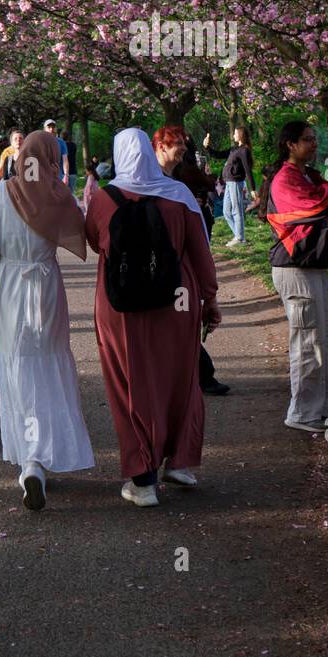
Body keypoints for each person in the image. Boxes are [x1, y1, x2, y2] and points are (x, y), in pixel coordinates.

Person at [86, 127, 221, 507]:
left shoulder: (105, 197)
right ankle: (179, 461)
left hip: (120, 304)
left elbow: (94, 240)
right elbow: (200, 252)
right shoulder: (177, 195)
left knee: (129, 383)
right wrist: (209, 300)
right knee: (180, 377)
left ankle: (142, 480)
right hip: (177, 299)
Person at [0, 131, 94, 511]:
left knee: (17, 367)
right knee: (48, 364)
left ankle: (29, 462)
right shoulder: (57, 195)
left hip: (8, 287)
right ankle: (43, 457)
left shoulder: (3, 193)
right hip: (46, 287)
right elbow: (82, 231)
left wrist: (2, 260)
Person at [261, 120, 328, 432]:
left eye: (313, 138)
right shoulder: (284, 180)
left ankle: (318, 411)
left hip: (313, 266)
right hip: (295, 267)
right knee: (308, 341)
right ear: (290, 145)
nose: (313, 144)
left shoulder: (306, 175)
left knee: (325, 339)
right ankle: (301, 413)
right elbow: (317, 206)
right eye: (306, 140)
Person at [152, 127, 230, 397]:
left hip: (182, 261)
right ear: (161, 146)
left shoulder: (179, 174)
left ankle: (198, 374)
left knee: (181, 321)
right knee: (174, 323)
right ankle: (195, 375)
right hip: (163, 265)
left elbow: (208, 186)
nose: (184, 149)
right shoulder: (154, 179)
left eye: (185, 145)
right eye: (178, 145)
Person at [204, 125, 257, 247]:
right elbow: (217, 155)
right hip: (228, 183)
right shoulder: (234, 149)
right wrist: (207, 147)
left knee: (236, 210)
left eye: (235, 133)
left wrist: (253, 188)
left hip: (236, 183)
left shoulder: (244, 150)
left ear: (240, 135)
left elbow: (248, 170)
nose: (233, 135)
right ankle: (239, 237)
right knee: (226, 212)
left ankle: (240, 238)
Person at [43, 119, 69, 186]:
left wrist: (66, 175)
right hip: (43, 178)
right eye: (49, 127)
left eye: (53, 127)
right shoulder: (40, 142)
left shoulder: (61, 142)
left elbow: (65, 160)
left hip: (58, 178)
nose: (51, 129)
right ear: (44, 129)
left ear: (56, 129)